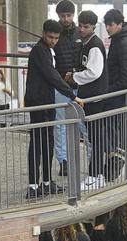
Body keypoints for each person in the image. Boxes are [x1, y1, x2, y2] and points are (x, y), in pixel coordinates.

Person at [24, 20, 83, 199]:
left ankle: (46, 182)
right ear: (43, 33)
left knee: (47, 142)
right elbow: (51, 75)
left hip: (46, 101)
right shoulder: (40, 50)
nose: (53, 41)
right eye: (50, 37)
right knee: (37, 142)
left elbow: (52, 76)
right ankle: (33, 185)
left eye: (56, 38)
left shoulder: (47, 50)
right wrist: (72, 95)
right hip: (38, 102)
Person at [73, 10, 109, 184]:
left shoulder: (94, 45)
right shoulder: (86, 43)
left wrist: (74, 77)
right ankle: (97, 174)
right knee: (94, 138)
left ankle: (95, 175)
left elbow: (94, 72)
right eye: (80, 25)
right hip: (90, 97)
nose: (82, 29)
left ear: (93, 26)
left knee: (95, 139)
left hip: (95, 98)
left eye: (85, 26)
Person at [52, 0, 81, 176]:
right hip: (61, 87)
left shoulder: (81, 33)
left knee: (83, 125)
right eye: (62, 16)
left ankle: (92, 160)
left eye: (68, 15)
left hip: (80, 86)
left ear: (73, 15)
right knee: (60, 126)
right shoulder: (54, 34)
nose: (66, 19)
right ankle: (63, 161)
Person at [103, 9, 127, 112]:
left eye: (111, 25)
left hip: (117, 94)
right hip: (114, 92)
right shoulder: (118, 39)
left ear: (120, 24)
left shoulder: (125, 43)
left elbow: (126, 77)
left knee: (112, 126)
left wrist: (107, 90)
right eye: (106, 25)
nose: (107, 28)